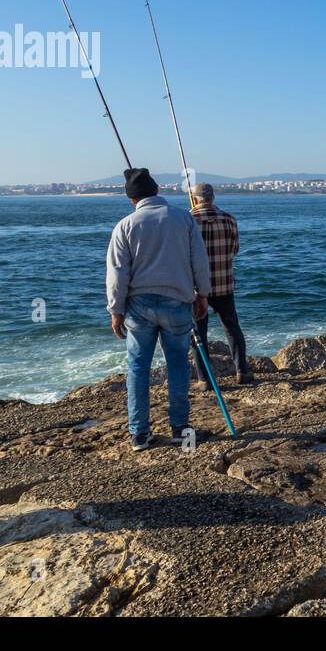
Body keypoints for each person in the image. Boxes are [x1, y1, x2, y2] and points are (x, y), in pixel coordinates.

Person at [106, 168, 211, 451]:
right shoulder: (183, 219)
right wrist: (203, 295)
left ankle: (139, 434)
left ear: (132, 200)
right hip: (177, 302)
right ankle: (180, 428)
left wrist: (115, 311)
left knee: (138, 368)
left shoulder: (125, 226)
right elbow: (199, 261)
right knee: (177, 365)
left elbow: (117, 274)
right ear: (156, 191)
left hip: (138, 306)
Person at [188, 182, 253, 384]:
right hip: (224, 284)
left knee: (199, 334)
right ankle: (242, 371)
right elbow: (234, 250)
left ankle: (204, 379)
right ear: (213, 197)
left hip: (197, 289)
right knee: (232, 327)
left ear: (195, 199)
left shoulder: (188, 220)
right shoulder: (229, 219)